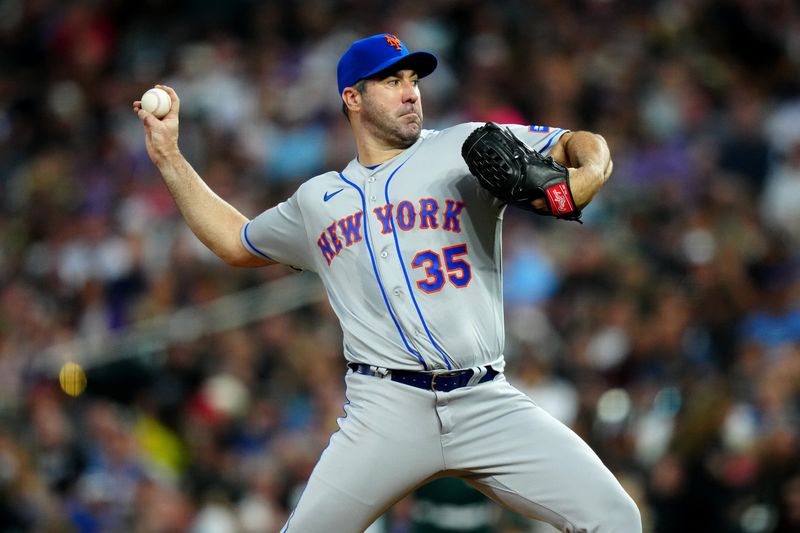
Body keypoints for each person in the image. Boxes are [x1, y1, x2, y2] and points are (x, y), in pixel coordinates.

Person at [134, 33, 642, 533]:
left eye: (413, 79)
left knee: (616, 518)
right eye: (391, 80)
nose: (410, 91)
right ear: (352, 98)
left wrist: (589, 171)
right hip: (385, 410)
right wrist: (169, 158)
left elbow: (575, 144)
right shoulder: (318, 200)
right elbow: (234, 241)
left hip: (485, 399)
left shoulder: (463, 147)